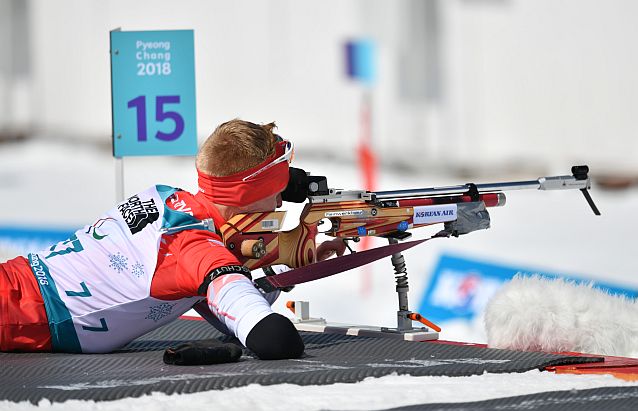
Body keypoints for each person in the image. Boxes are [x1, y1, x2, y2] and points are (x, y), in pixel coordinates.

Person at [0, 119, 345, 360]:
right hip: (25, 310)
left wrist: (281, 259)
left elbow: (217, 307)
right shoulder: (198, 247)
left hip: (17, 285)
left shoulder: (166, 198)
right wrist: (267, 258)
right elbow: (273, 340)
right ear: (252, 192)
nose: (281, 202)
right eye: (276, 190)